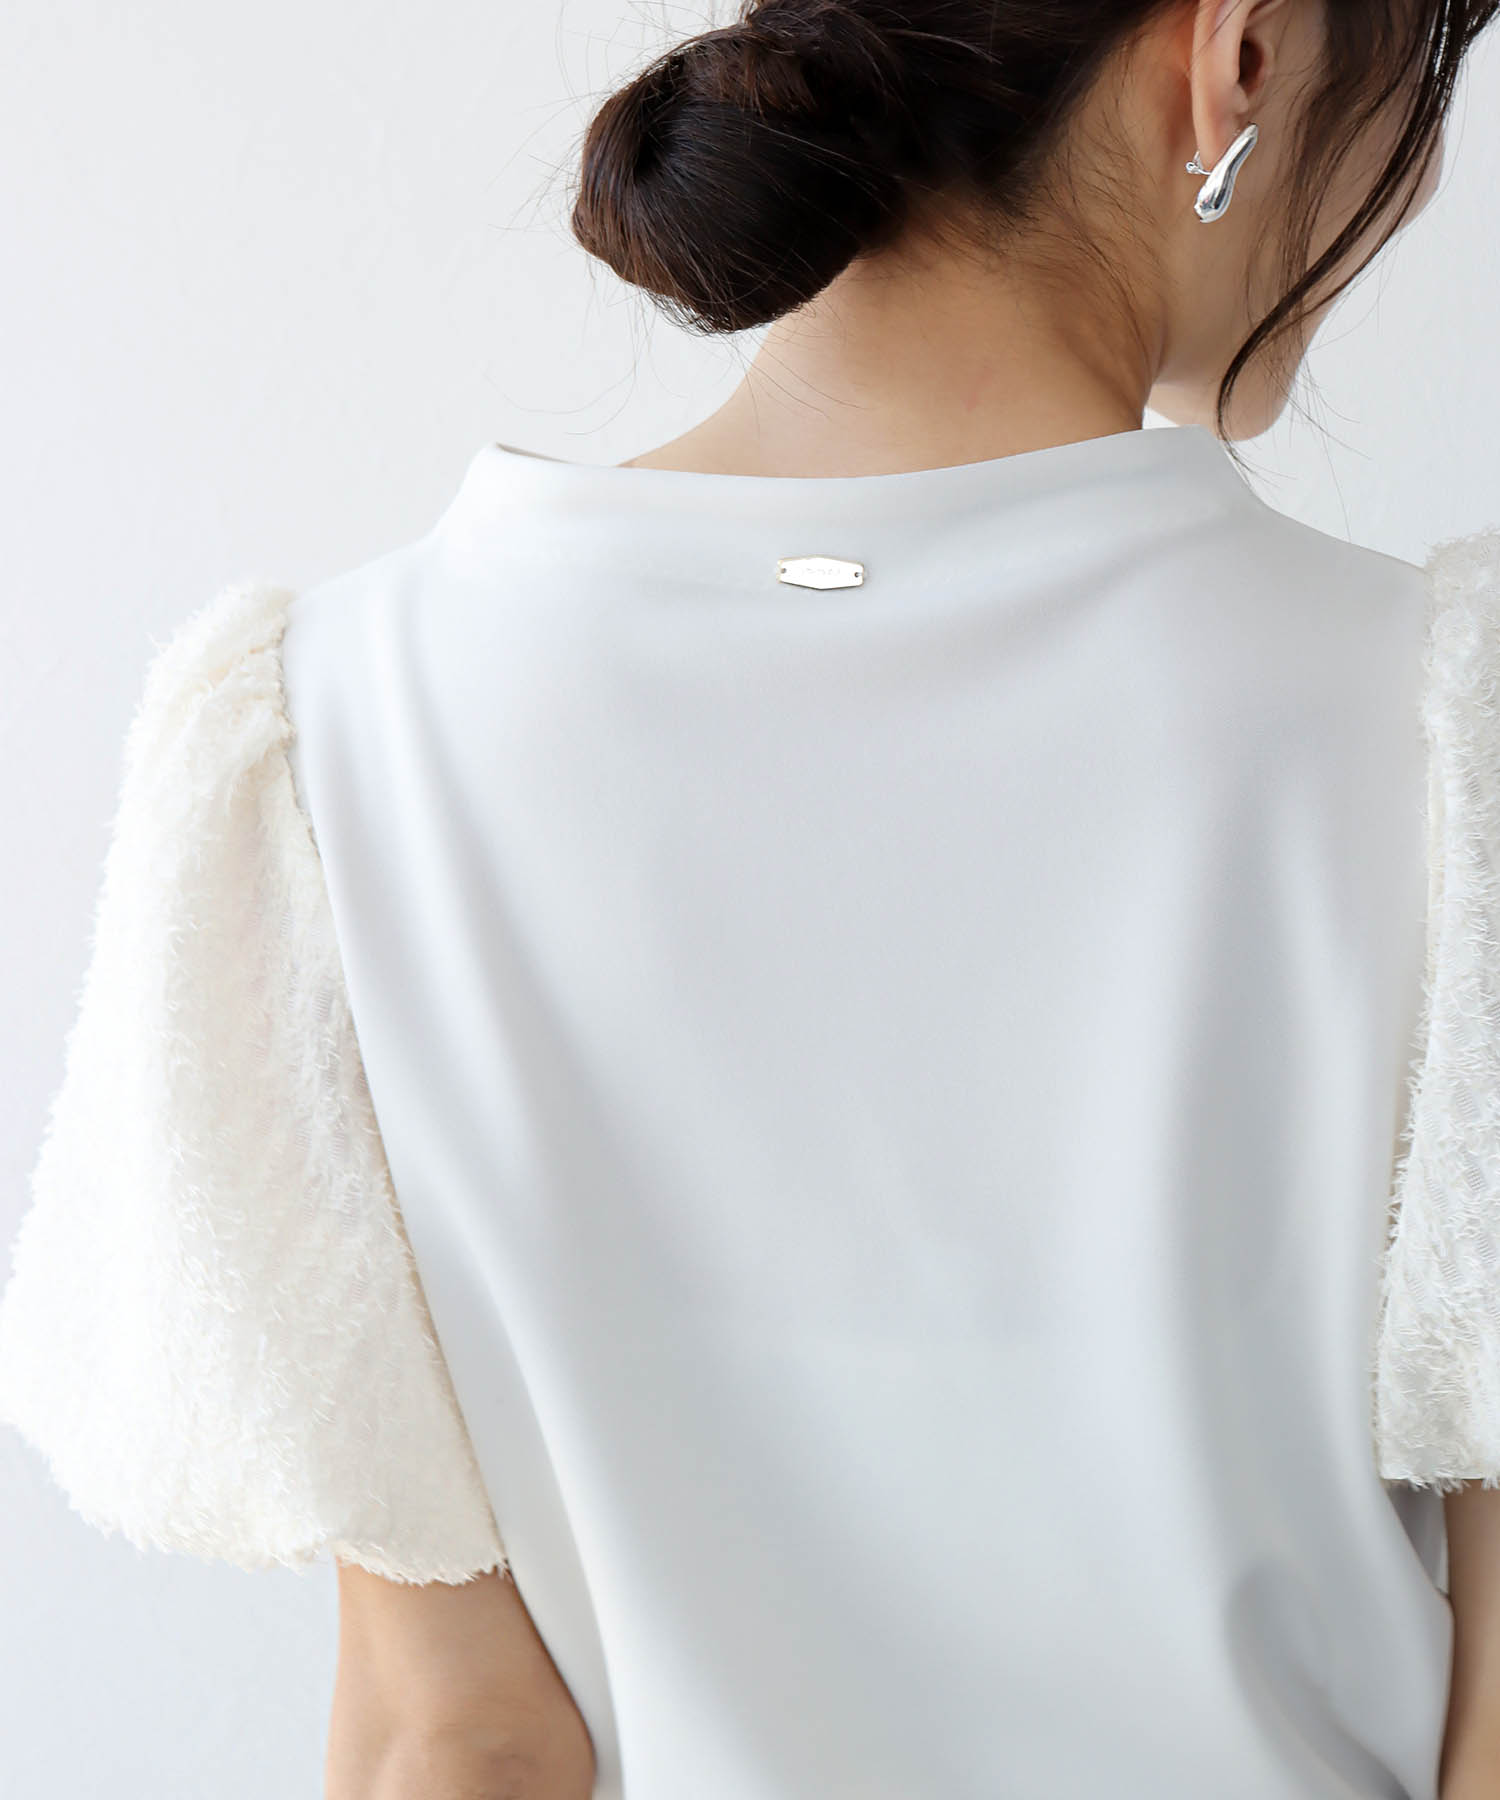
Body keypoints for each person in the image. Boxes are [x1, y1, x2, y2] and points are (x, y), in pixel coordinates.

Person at [0, 0, 1497, 1795]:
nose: (1409, 178)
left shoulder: (325, 729)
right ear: (1239, 53)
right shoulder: (1450, 730)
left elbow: (454, 1735)